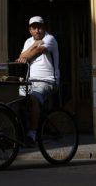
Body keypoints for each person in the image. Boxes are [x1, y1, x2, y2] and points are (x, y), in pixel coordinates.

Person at [16, 16, 60, 146]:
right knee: (16, 98)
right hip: (31, 80)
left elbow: (35, 53)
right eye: (34, 28)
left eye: (40, 27)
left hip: (48, 81)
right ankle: (20, 130)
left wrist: (32, 50)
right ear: (30, 30)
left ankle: (32, 134)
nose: (37, 30)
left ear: (44, 28)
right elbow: (21, 58)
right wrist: (34, 45)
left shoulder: (50, 39)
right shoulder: (28, 41)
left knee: (34, 97)